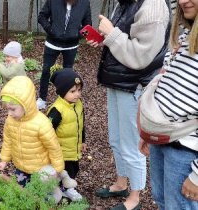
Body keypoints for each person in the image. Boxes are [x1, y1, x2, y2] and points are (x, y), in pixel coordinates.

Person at [87, 0, 170, 209]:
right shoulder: (126, 2)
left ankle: (135, 198)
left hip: (135, 85)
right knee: (116, 138)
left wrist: (112, 34)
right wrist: (105, 40)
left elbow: (140, 55)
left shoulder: (152, 6)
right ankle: (121, 183)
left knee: (132, 144)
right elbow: (124, 40)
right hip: (117, 81)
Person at [139, 0, 198, 209]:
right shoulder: (184, 40)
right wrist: (151, 132)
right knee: (162, 201)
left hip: (186, 150)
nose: (182, 1)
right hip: (162, 139)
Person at [0, 76, 64, 187]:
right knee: (22, 191)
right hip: (21, 167)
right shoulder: (10, 121)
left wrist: (57, 169)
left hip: (39, 168)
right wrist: (4, 160)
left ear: (26, 105)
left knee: (39, 192)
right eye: (7, 109)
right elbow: (8, 141)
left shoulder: (41, 123)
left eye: (12, 109)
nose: (9, 113)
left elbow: (53, 147)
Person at [36, 0, 92, 110]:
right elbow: (41, 17)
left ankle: (66, 100)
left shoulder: (84, 3)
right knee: (46, 70)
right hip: (52, 43)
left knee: (68, 73)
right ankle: (42, 99)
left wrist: (77, 35)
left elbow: (88, 26)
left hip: (71, 46)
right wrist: (51, 30)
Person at [47, 68, 86, 201]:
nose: (77, 94)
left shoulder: (78, 105)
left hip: (73, 147)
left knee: (74, 168)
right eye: (73, 91)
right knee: (63, 170)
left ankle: (66, 187)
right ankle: (66, 190)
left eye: (79, 90)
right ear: (62, 91)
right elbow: (47, 131)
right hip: (61, 150)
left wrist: (83, 141)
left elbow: (82, 124)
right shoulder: (56, 111)